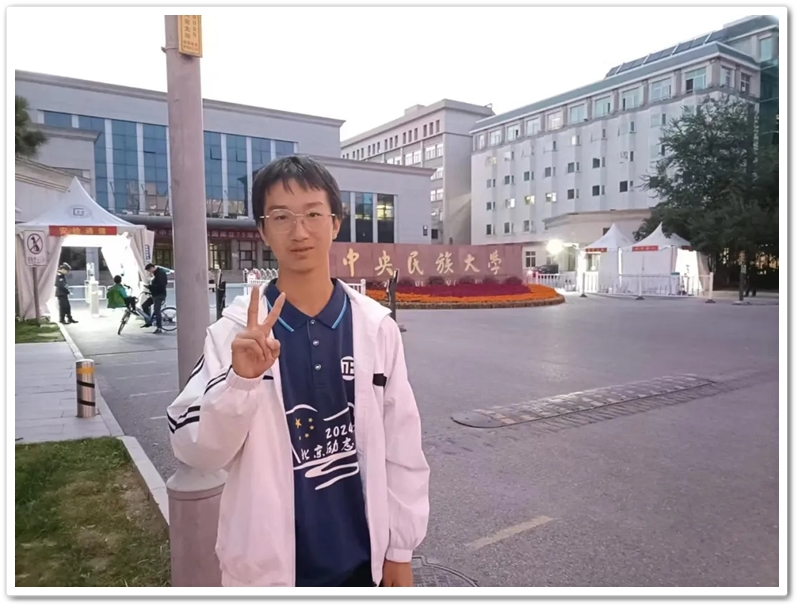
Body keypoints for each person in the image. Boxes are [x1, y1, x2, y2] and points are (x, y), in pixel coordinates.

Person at [167, 155, 429, 588]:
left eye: (313, 214)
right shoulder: (236, 333)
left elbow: (401, 447)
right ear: (263, 229)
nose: (300, 231)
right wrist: (239, 382)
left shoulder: (374, 327)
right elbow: (198, 452)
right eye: (281, 217)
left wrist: (400, 551)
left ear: (336, 222)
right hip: (267, 573)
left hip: (363, 566)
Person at [145, 263, 168, 334]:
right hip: (155, 294)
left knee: (157, 311)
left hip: (159, 295)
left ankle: (159, 328)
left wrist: (150, 287)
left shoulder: (160, 273)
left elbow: (160, 285)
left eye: (149, 270)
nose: (149, 272)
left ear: (152, 268)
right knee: (145, 305)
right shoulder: (156, 273)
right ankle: (149, 321)